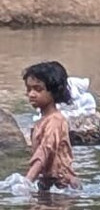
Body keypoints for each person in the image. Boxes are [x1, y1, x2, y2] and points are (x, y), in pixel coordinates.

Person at [24, 61, 80, 190]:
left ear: (54, 91)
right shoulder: (42, 121)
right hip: (49, 184)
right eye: (29, 89)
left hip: (62, 185)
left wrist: (27, 181)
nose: (31, 94)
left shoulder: (55, 121)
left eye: (38, 89)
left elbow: (45, 150)